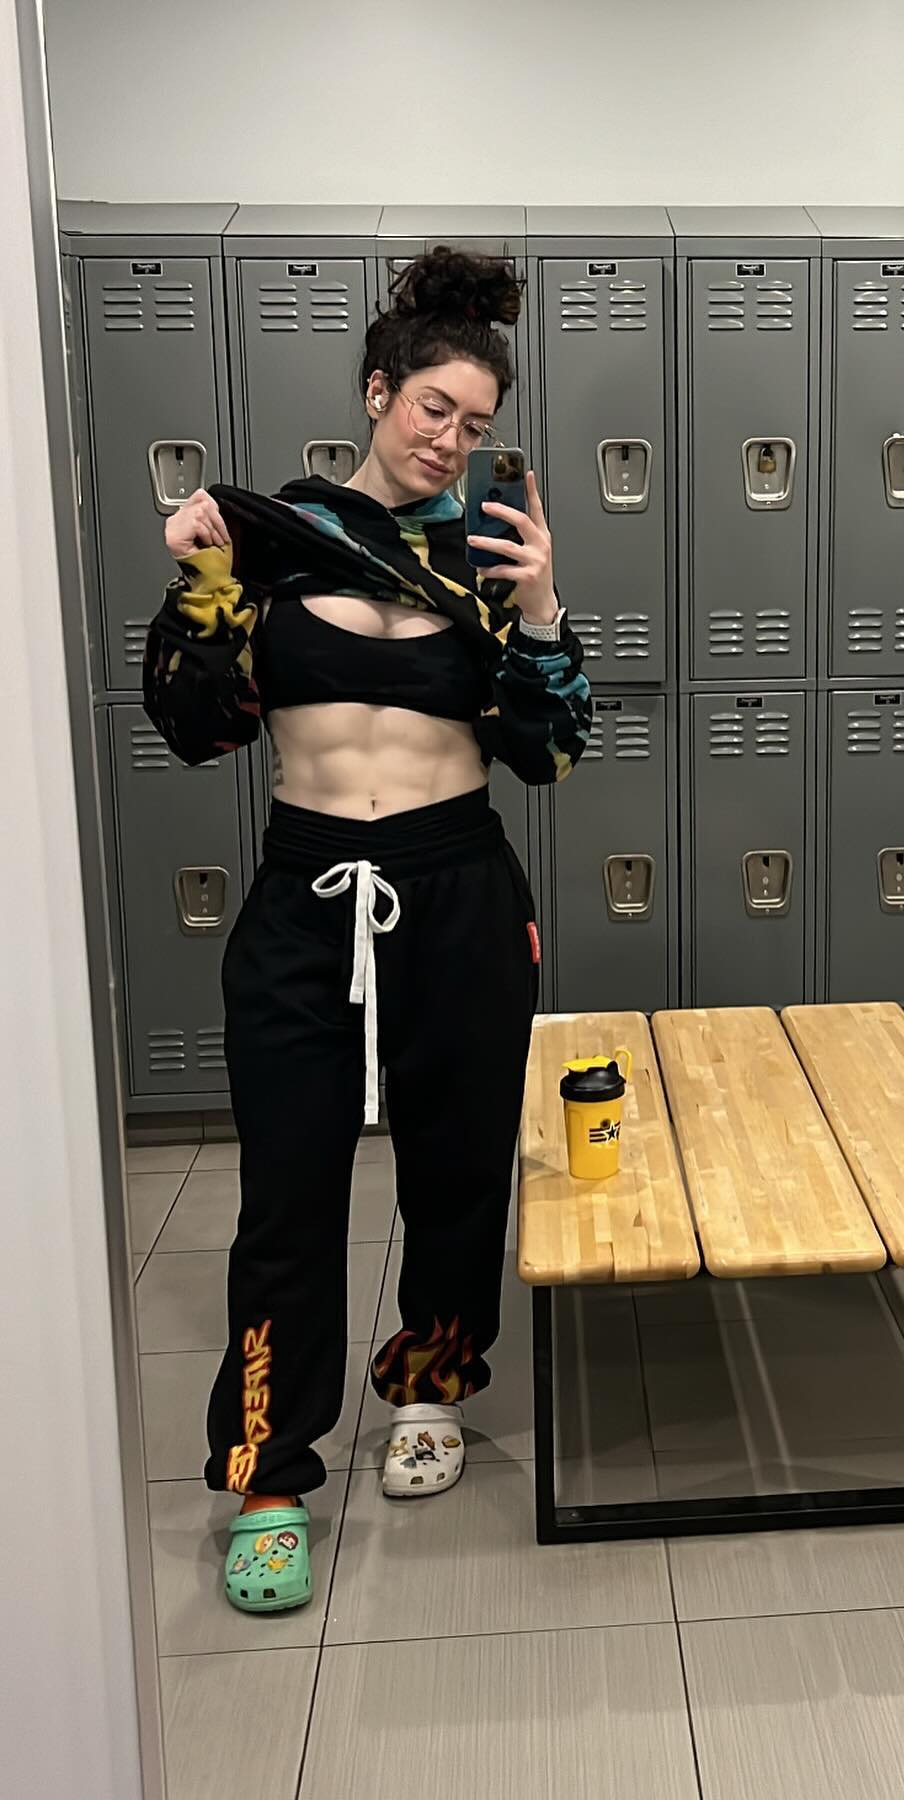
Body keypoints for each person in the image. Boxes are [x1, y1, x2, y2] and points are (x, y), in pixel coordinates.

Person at [142, 247, 590, 1612]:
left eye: (475, 422)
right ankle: (269, 1471)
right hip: (307, 895)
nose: (449, 438)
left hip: (456, 890)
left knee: (456, 1169)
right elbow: (193, 726)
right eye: (433, 407)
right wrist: (202, 585)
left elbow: (548, 753)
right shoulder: (276, 540)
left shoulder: (487, 556)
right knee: (287, 1193)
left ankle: (430, 1388)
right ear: (378, 393)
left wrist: (542, 610)